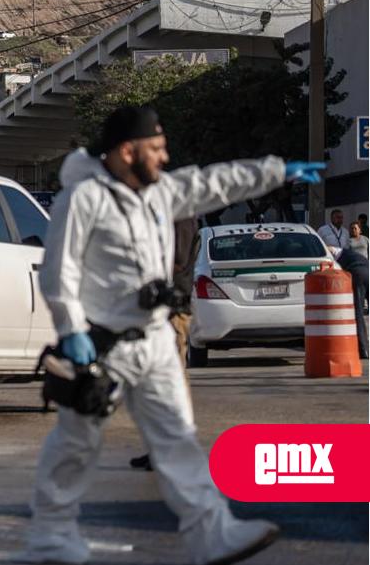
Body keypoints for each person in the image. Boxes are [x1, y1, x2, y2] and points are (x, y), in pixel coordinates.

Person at [25, 105, 325, 565]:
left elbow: (212, 182)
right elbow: (57, 270)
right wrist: (71, 330)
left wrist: (276, 171)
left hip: (156, 340)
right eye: (157, 148)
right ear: (128, 151)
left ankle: (212, 534)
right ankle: (51, 537)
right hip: (102, 347)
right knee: (75, 444)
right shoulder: (83, 198)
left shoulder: (158, 192)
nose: (164, 158)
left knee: (178, 439)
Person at [129, 217, 197, 472]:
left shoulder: (182, 218)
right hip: (160, 309)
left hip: (173, 309)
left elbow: (176, 262)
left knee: (173, 381)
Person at [335, 247, 368, 359]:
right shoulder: (351, 254)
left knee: (358, 313)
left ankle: (363, 350)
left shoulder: (334, 258)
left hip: (357, 275)